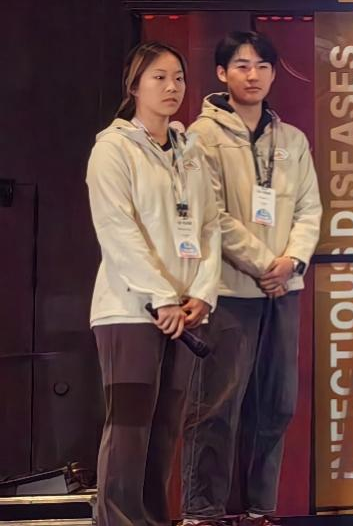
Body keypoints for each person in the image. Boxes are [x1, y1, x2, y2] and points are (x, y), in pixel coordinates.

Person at [181, 31, 323, 526]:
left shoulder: (292, 140)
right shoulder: (201, 136)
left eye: (263, 66)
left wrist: (292, 262)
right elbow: (211, 215)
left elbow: (310, 209)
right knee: (216, 405)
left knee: (276, 404)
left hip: (283, 291)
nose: (253, 75)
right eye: (242, 66)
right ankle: (202, 511)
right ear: (222, 73)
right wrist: (266, 265)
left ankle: (259, 509)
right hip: (228, 291)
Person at [88, 42, 221, 526]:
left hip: (184, 312)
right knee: (130, 429)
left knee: (165, 430)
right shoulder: (113, 148)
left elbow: (209, 225)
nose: (172, 87)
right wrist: (161, 297)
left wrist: (202, 292)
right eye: (159, 77)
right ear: (134, 85)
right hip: (130, 312)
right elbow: (117, 230)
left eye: (178, 77)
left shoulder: (191, 151)